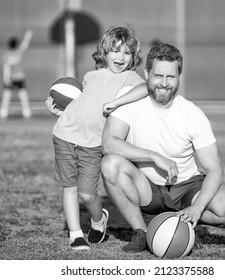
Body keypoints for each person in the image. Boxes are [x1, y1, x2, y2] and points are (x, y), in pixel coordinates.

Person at [101, 43, 225, 253]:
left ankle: (184, 221)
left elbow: (216, 170)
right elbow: (109, 143)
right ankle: (140, 232)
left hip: (187, 187)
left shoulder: (192, 114)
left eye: (171, 77)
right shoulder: (128, 99)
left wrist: (197, 208)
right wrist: (154, 156)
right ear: (147, 73)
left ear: (179, 77)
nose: (164, 83)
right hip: (147, 188)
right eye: (158, 75)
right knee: (110, 164)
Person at [45, 26, 148, 250]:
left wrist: (117, 102)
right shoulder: (90, 75)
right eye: (115, 50)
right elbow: (83, 107)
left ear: (133, 57)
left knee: (87, 194)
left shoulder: (130, 77)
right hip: (63, 134)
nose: (120, 57)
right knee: (69, 187)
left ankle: (98, 219)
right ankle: (75, 235)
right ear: (104, 52)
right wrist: (61, 113)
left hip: (92, 144)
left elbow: (145, 89)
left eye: (127, 53)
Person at [0, 30, 33, 121]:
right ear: (17, 44)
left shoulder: (6, 55)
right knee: (23, 94)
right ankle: (26, 112)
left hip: (11, 78)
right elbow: (25, 44)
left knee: (7, 95)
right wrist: (28, 36)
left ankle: (4, 113)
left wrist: (6, 78)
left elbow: (6, 67)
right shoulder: (19, 52)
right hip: (20, 77)